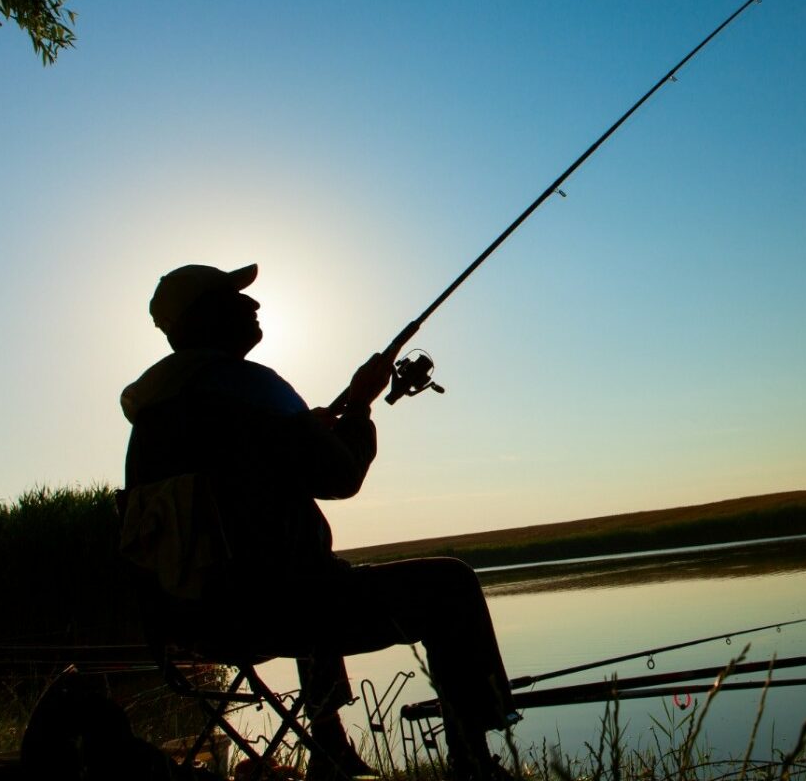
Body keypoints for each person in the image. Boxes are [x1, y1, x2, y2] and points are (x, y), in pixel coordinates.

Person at [120, 264, 518, 781]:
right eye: (237, 299)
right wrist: (358, 408)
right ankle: (472, 762)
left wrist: (303, 427)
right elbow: (340, 474)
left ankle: (328, 745)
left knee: (307, 568)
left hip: (190, 623)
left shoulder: (152, 417)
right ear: (204, 316)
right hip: (276, 611)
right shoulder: (250, 388)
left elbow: (242, 478)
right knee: (451, 584)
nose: (254, 306)